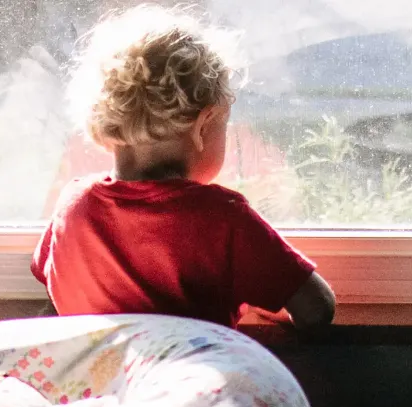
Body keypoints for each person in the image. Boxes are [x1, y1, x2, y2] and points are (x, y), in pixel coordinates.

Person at [31, 4, 336, 330]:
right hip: (187, 379)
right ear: (202, 126)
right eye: (224, 124)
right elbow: (318, 308)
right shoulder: (223, 218)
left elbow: (53, 282)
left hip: (95, 381)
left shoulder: (75, 207)